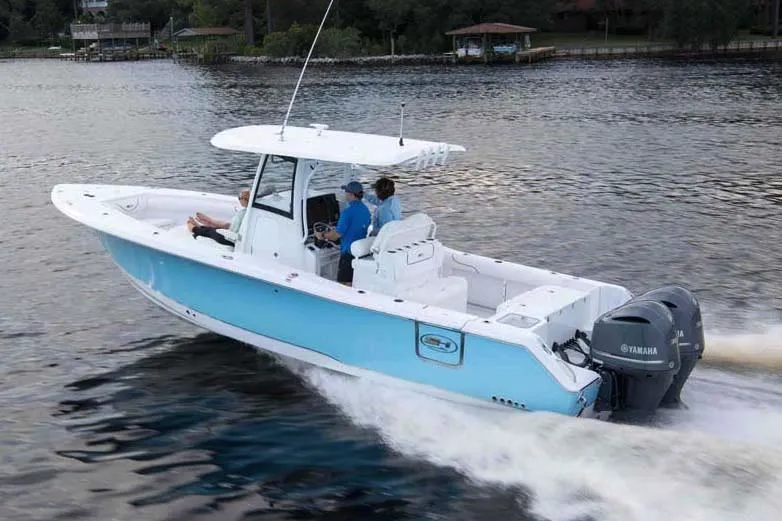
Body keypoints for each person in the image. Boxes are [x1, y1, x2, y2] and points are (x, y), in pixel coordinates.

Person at [315, 181, 370, 286]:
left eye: (346, 192)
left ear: (351, 194)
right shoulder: (365, 210)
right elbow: (357, 227)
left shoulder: (347, 213)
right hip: (359, 252)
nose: (345, 194)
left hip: (348, 254)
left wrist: (322, 235)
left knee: (343, 285)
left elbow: (336, 236)